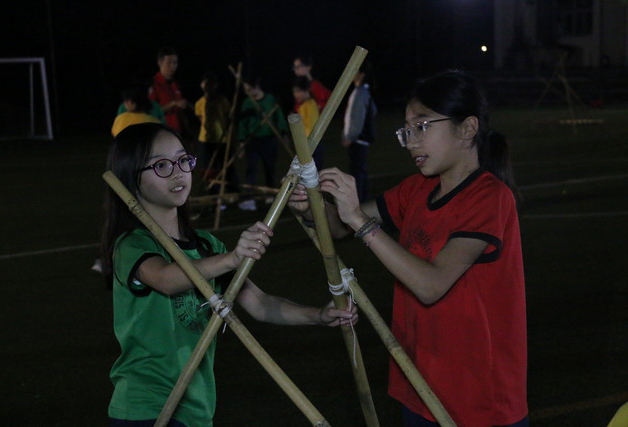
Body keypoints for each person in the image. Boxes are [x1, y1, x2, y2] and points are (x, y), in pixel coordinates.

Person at [290, 69, 528, 427]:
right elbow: (338, 227)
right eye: (406, 131)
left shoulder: (490, 197)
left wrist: (359, 220)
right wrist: (312, 207)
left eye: (422, 126)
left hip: (477, 398)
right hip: (418, 383)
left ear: (467, 128)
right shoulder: (416, 189)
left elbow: (431, 285)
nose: (411, 142)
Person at [101, 122, 357, 426]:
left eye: (183, 160)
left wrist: (317, 315)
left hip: (196, 408)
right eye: (161, 166)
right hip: (145, 407)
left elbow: (260, 304)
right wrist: (232, 258)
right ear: (132, 178)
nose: (178, 172)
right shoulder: (132, 244)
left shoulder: (208, 246)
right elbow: (166, 279)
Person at [236, 74, 288, 211]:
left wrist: (283, 133)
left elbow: (279, 117)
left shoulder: (270, 99)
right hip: (253, 140)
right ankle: (249, 198)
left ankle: (270, 194)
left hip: (269, 140)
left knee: (269, 168)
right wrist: (241, 142)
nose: (247, 93)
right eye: (245, 90)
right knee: (251, 169)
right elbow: (243, 124)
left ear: (256, 87)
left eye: (249, 89)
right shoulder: (247, 103)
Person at [194, 71, 239, 193]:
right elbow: (202, 121)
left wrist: (230, 136)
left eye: (211, 84)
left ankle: (232, 192)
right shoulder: (199, 103)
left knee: (227, 167)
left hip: (223, 140)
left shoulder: (222, 101)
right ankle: (213, 192)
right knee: (209, 169)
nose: (208, 86)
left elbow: (229, 119)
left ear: (215, 85)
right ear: (202, 85)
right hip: (206, 141)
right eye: (205, 83)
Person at [342, 61, 377, 202]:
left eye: (354, 70)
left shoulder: (361, 93)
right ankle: (362, 198)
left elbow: (358, 117)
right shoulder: (361, 91)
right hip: (358, 139)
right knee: (359, 170)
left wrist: (350, 137)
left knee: (357, 172)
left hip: (358, 140)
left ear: (361, 75)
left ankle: (360, 201)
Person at [149, 47, 189, 134]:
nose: (173, 66)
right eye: (169, 62)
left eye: (175, 63)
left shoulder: (175, 84)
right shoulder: (153, 84)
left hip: (178, 132)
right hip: (162, 132)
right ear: (160, 63)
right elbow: (151, 112)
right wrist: (173, 103)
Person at [292, 76, 323, 170]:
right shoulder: (303, 106)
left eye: (298, 91)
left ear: (306, 91)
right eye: (294, 92)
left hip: (312, 145)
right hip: (307, 145)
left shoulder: (310, 105)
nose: (296, 95)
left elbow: (310, 127)